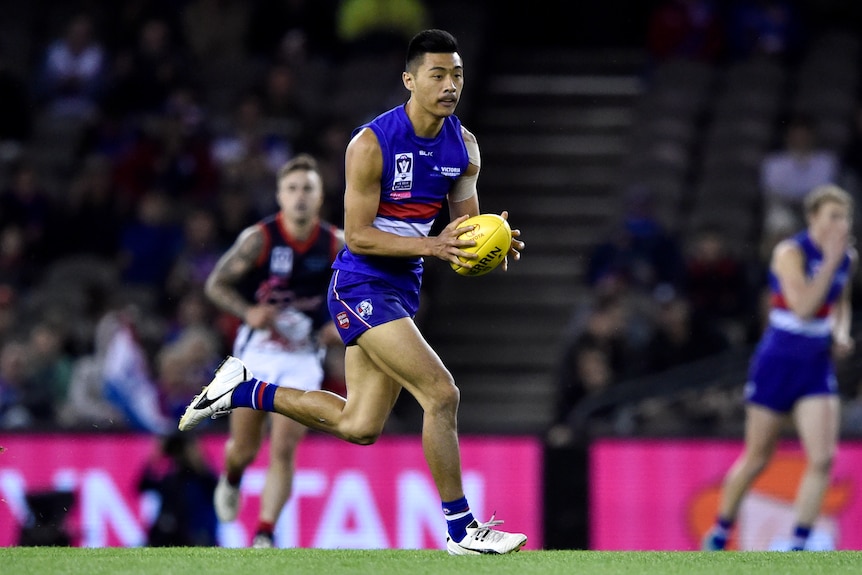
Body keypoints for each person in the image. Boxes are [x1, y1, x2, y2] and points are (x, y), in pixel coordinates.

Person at [180, 29, 528, 555]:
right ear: (410, 80)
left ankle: (242, 390)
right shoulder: (371, 144)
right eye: (438, 74)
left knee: (359, 425)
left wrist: (492, 246)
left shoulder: (465, 146)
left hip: (400, 289)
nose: (450, 84)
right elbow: (360, 234)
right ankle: (462, 531)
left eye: (457, 74)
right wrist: (433, 248)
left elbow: (464, 234)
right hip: (361, 283)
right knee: (442, 393)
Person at [200, 153, 344, 548]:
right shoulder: (259, 239)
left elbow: (363, 294)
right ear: (280, 195)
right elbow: (215, 284)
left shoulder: (336, 243)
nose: (300, 196)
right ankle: (231, 478)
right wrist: (248, 311)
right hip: (258, 353)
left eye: (308, 189)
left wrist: (341, 324)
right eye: (293, 188)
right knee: (244, 449)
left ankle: (264, 533)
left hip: (303, 356)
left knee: (284, 447)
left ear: (320, 197)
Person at [702, 184, 856, 551]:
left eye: (845, 217)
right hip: (778, 361)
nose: (839, 224)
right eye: (832, 216)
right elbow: (803, 306)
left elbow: (841, 303)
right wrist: (832, 260)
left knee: (822, 458)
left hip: (815, 365)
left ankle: (798, 546)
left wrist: (841, 333)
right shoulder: (790, 253)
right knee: (757, 457)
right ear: (813, 218)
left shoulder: (847, 258)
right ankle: (721, 530)